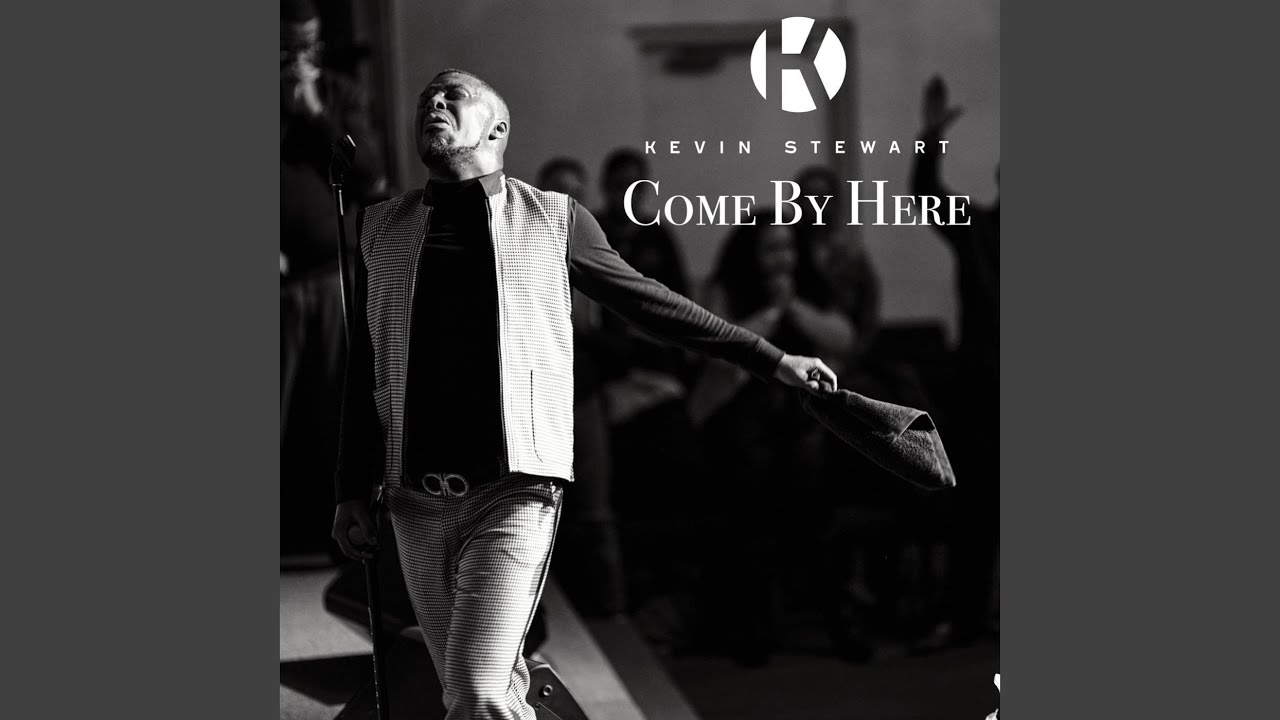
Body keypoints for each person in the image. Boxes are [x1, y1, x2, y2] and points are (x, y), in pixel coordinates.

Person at [330, 69, 838, 719]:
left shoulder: (553, 219)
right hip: (414, 502)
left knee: (475, 693)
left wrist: (771, 359)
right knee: (484, 689)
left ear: (498, 127)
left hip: (511, 493)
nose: (434, 102)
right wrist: (351, 488)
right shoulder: (381, 228)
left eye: (454, 95)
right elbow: (364, 367)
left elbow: (657, 306)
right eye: (428, 96)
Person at [688, 213, 857, 666]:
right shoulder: (725, 288)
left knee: (812, 502)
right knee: (754, 514)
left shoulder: (809, 290)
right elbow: (718, 350)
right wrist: (772, 313)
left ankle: (836, 621)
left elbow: (844, 337)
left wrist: (793, 305)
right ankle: (758, 626)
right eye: (770, 249)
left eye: (788, 248)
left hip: (799, 427)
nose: (782, 258)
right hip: (738, 423)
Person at [279, 0, 389, 560]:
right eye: (289, 46)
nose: (300, 56)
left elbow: (370, 175)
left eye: (309, 45)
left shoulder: (341, 94)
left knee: (337, 410)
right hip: (279, 278)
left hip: (330, 275)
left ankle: (341, 542)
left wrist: (316, 112)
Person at [909, 74, 1000, 653]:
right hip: (986, 387)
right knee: (977, 508)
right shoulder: (978, 229)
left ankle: (974, 614)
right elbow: (926, 192)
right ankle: (966, 616)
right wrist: (929, 139)